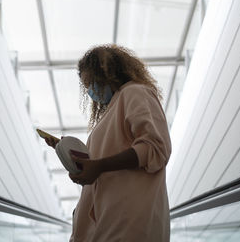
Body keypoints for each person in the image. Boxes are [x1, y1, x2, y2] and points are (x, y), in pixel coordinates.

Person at [44, 44, 171, 242]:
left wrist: (99, 165)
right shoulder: (112, 110)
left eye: (92, 82)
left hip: (128, 223)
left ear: (107, 73)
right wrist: (68, 152)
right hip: (108, 223)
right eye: (87, 87)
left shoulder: (135, 92)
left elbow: (155, 148)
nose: (91, 91)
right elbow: (100, 163)